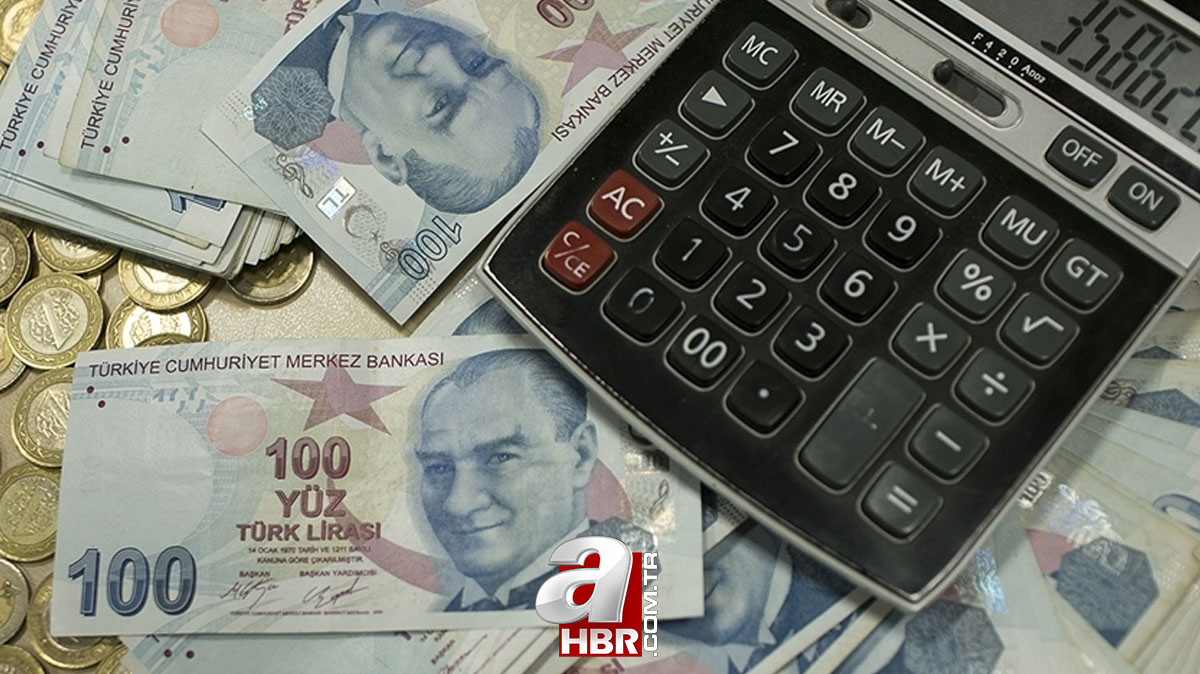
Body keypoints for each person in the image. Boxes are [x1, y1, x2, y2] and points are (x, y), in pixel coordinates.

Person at [414, 348, 653, 610]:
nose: (458, 504)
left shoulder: (652, 588)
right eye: (438, 468)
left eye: (501, 457)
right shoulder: (436, 620)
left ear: (581, 455)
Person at [253, 0, 542, 214]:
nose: (439, 52)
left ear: (385, 156)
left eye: (440, 103)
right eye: (476, 63)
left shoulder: (269, 104)